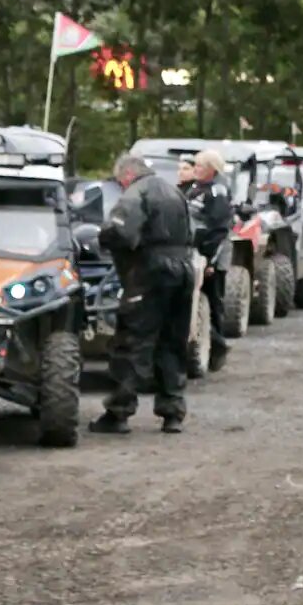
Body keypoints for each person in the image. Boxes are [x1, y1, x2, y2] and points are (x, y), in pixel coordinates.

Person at [93, 152, 195, 434]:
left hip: (150, 273)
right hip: (183, 270)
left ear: (126, 174)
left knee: (132, 342)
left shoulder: (135, 194)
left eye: (119, 180)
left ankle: (119, 412)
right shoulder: (175, 192)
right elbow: (192, 233)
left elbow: (120, 233)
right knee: (172, 341)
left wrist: (102, 238)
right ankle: (172, 412)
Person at [185, 148, 233, 373]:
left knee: (213, 302)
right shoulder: (195, 189)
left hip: (212, 255)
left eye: (200, 166)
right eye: (195, 165)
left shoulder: (217, 192)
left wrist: (210, 261)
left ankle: (218, 347)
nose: (195, 169)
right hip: (194, 252)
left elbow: (219, 229)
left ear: (211, 170)